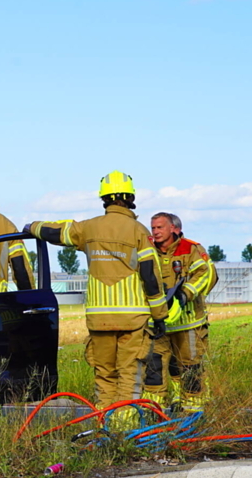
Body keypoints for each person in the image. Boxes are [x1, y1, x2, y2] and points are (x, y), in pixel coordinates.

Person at [24, 172, 168, 418]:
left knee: (104, 375)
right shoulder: (139, 231)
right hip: (132, 319)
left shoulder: (89, 227)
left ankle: (104, 423)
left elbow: (57, 231)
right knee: (129, 374)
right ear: (130, 198)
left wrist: (32, 227)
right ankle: (125, 426)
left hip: (99, 318)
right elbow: (150, 277)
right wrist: (159, 315)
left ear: (104, 198)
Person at [144, 212, 218, 411]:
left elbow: (206, 274)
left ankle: (193, 410)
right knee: (154, 369)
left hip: (188, 323)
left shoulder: (190, 249)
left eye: (160, 227)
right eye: (153, 228)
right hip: (157, 323)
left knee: (190, 366)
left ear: (173, 228)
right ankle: (154, 410)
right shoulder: (147, 249)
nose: (155, 232)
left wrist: (185, 294)